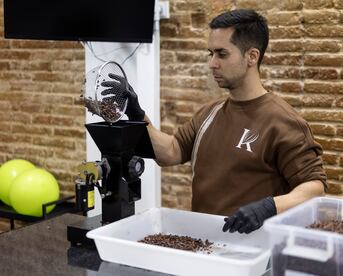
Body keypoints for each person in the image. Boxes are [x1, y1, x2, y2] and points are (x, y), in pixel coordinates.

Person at [101, 9, 327, 234]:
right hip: (203, 243)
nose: (212, 63)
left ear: (252, 56)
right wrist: (137, 115)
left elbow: (315, 189)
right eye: (211, 53)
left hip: (255, 252)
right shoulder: (211, 112)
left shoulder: (283, 122)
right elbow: (170, 152)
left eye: (222, 54)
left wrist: (269, 207)